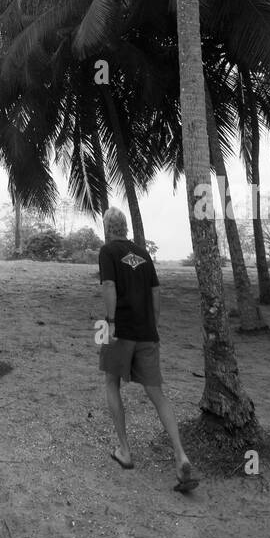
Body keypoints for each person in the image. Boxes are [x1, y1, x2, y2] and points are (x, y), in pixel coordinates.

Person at [97, 206, 198, 493]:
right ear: (126, 227)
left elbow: (108, 285)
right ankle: (180, 454)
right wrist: (154, 323)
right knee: (157, 393)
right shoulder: (143, 254)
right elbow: (156, 292)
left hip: (121, 330)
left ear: (108, 229)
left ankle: (125, 451)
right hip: (147, 331)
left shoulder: (108, 252)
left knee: (111, 383)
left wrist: (112, 321)